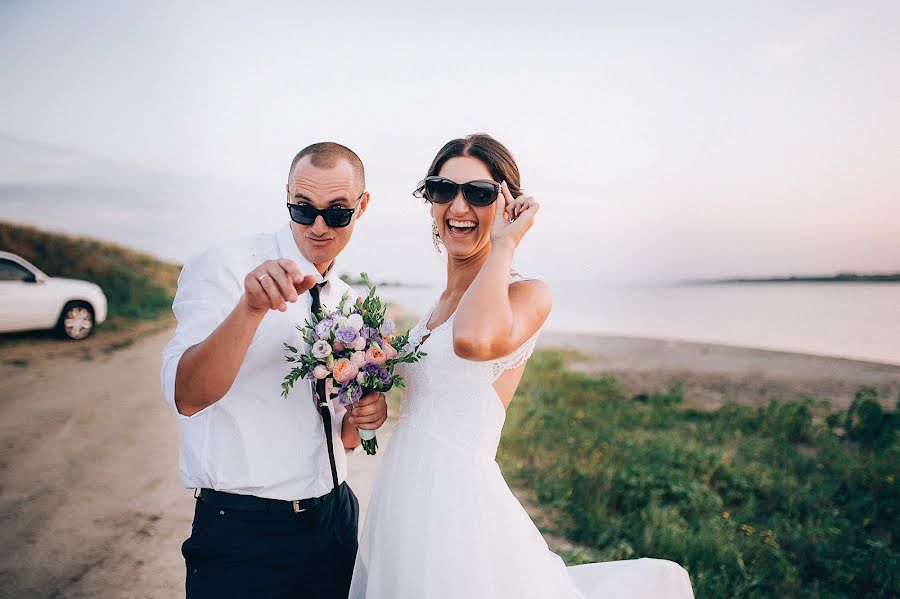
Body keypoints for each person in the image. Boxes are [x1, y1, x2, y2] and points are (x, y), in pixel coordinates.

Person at [349, 134, 695, 598]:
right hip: (405, 495)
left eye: (479, 193)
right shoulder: (436, 306)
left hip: (458, 505)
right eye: (443, 189)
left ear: (509, 204)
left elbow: (473, 341)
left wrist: (505, 245)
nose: (459, 206)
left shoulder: (527, 293)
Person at [160, 142, 387, 598]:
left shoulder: (346, 298)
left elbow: (333, 431)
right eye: (303, 209)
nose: (318, 226)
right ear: (287, 195)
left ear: (362, 207)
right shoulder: (225, 265)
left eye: (337, 212)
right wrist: (250, 308)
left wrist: (363, 419)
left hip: (335, 518)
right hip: (244, 533)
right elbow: (188, 394)